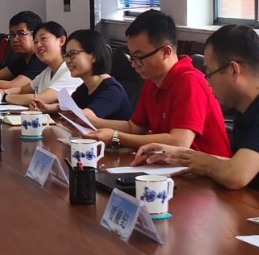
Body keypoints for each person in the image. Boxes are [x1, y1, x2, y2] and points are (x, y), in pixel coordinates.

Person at [132, 25, 259, 194]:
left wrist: (202, 162)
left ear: (233, 70)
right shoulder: (249, 109)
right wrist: (179, 156)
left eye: (209, 73)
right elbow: (239, 164)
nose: (208, 82)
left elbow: (236, 175)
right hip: (258, 204)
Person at [83, 10, 231, 157]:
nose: (133, 64)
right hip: (171, 165)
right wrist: (91, 121)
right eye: (131, 57)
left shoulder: (190, 82)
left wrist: (116, 137)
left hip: (206, 170)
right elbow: (134, 128)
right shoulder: (152, 81)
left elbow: (179, 142)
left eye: (139, 57)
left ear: (166, 52)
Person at [4, 21, 81, 106]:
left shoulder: (70, 71)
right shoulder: (47, 71)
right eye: (35, 42)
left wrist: (4, 97)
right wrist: (1, 92)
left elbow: (41, 98)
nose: (38, 45)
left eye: (43, 38)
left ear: (61, 41)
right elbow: (22, 90)